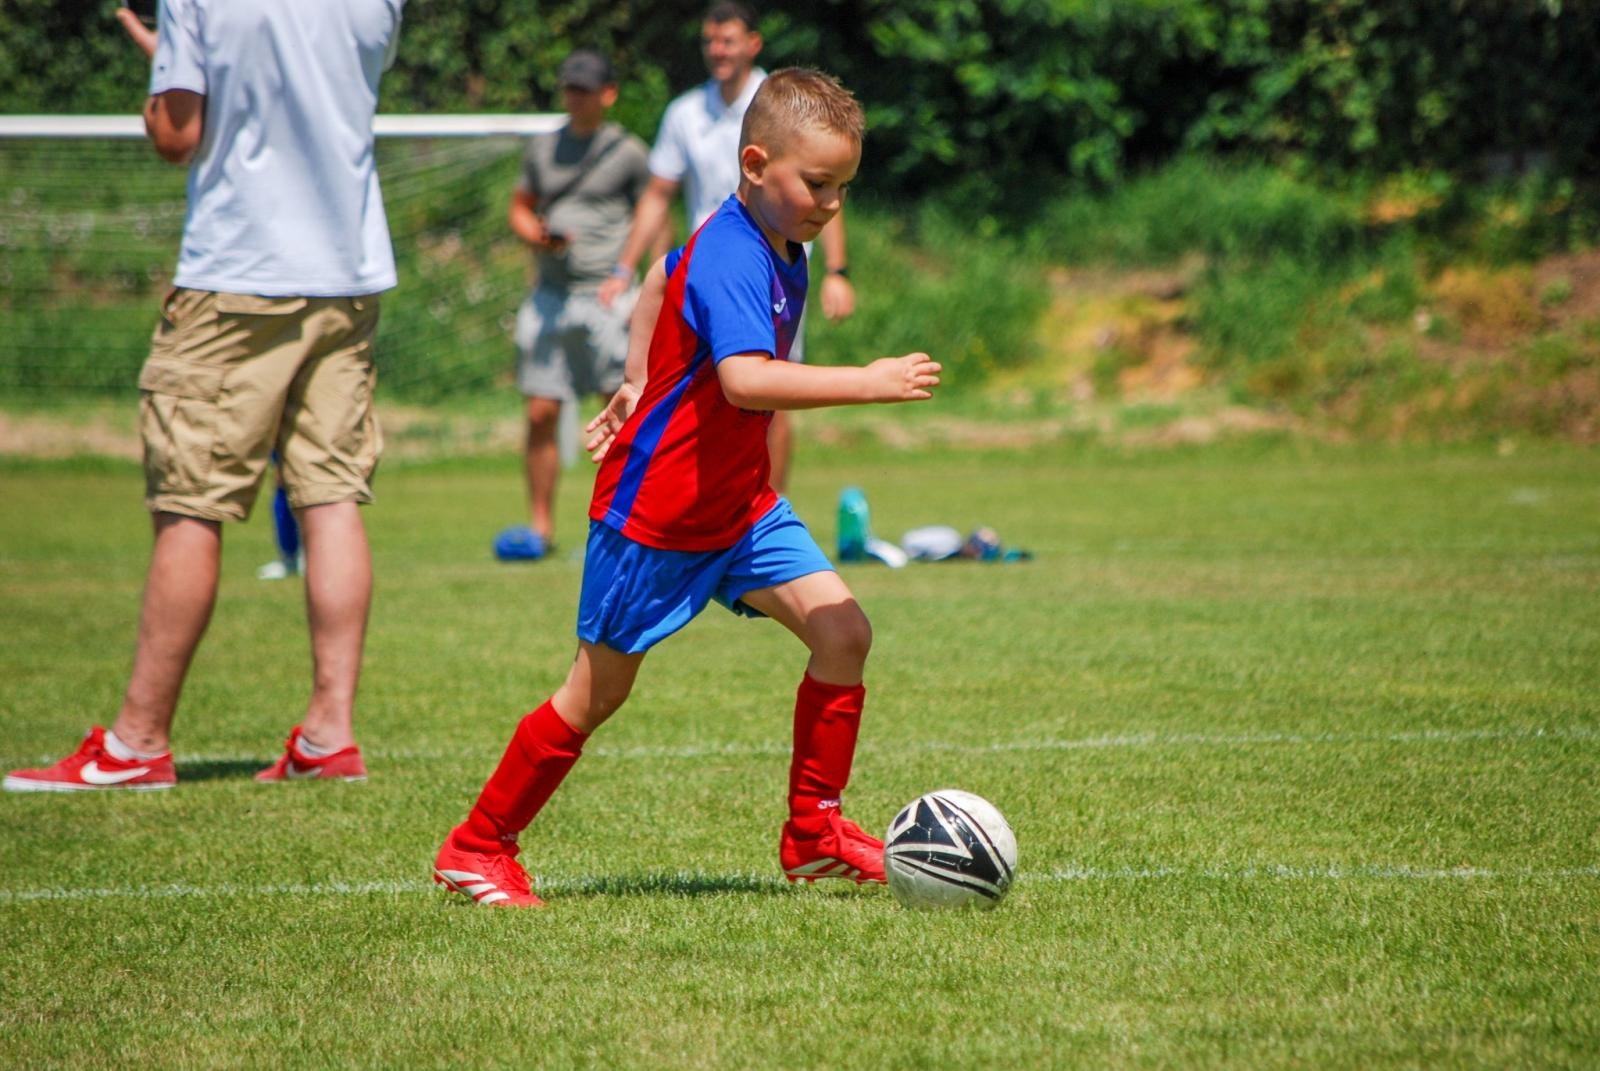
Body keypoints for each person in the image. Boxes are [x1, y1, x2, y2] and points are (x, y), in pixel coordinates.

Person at [432, 68, 941, 907]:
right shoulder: (737, 252)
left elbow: (662, 276)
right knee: (597, 691)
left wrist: (636, 375)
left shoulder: (775, 237)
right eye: (817, 184)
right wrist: (869, 380)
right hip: (657, 515)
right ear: (754, 164)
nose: (831, 204)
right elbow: (745, 379)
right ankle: (477, 844)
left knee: (843, 631)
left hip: (738, 505)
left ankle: (813, 834)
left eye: (843, 187)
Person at [3, 0, 403, 793]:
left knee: (190, 502)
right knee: (330, 496)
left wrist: (169, 64)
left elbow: (177, 134)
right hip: (349, 270)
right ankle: (329, 734)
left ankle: (137, 743)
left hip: (239, 272)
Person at [595, 1, 856, 494]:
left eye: (728, 40)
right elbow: (657, 197)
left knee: (771, 398)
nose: (717, 50)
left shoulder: (785, 104)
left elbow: (824, 193)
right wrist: (622, 267)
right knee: (706, 395)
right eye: (709, 41)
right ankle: (703, 503)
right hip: (712, 271)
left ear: (753, 44)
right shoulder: (685, 113)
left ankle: (764, 503)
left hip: (777, 274)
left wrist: (837, 273)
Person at [494, 50, 654, 561]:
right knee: (540, 410)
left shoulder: (629, 152)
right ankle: (540, 528)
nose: (574, 97)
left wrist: (630, 274)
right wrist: (537, 236)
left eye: (584, 89)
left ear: (608, 94)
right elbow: (520, 208)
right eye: (569, 88)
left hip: (608, 296)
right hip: (551, 296)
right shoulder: (543, 148)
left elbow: (653, 214)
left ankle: (627, 525)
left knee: (620, 409)